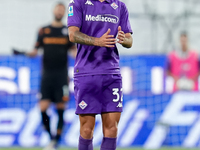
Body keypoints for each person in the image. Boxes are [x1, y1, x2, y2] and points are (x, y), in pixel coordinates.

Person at [67, 0, 133, 150]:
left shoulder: (120, 6)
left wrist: (125, 40)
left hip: (112, 74)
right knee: (87, 129)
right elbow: (72, 35)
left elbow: (129, 39)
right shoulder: (78, 3)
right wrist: (97, 41)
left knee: (112, 128)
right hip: (86, 73)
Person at [26, 2, 76, 150]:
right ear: (53, 11)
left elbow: (74, 51)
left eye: (62, 10)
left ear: (65, 13)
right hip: (46, 76)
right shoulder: (43, 30)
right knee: (42, 107)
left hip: (61, 76)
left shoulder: (68, 32)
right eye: (58, 9)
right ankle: (51, 138)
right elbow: (35, 50)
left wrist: (84, 55)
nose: (60, 12)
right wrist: (26, 53)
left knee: (61, 107)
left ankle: (56, 141)